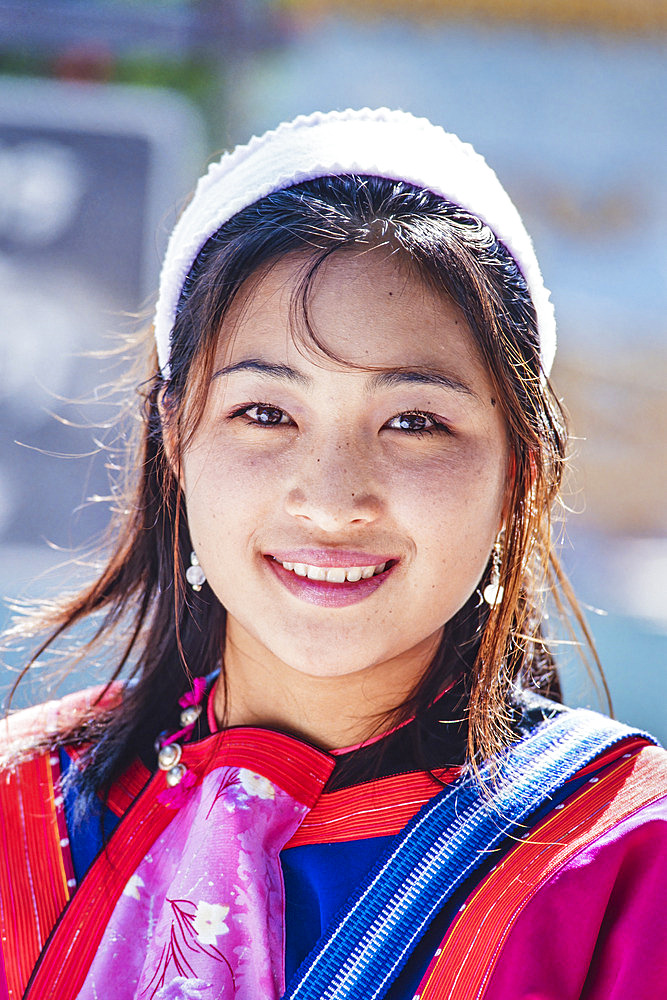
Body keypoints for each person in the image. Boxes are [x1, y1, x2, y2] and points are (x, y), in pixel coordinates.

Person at [0, 108, 665, 1000]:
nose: (330, 497)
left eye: (414, 422)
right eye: (266, 413)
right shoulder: (21, 807)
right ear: (173, 441)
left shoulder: (623, 861)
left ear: (521, 470)